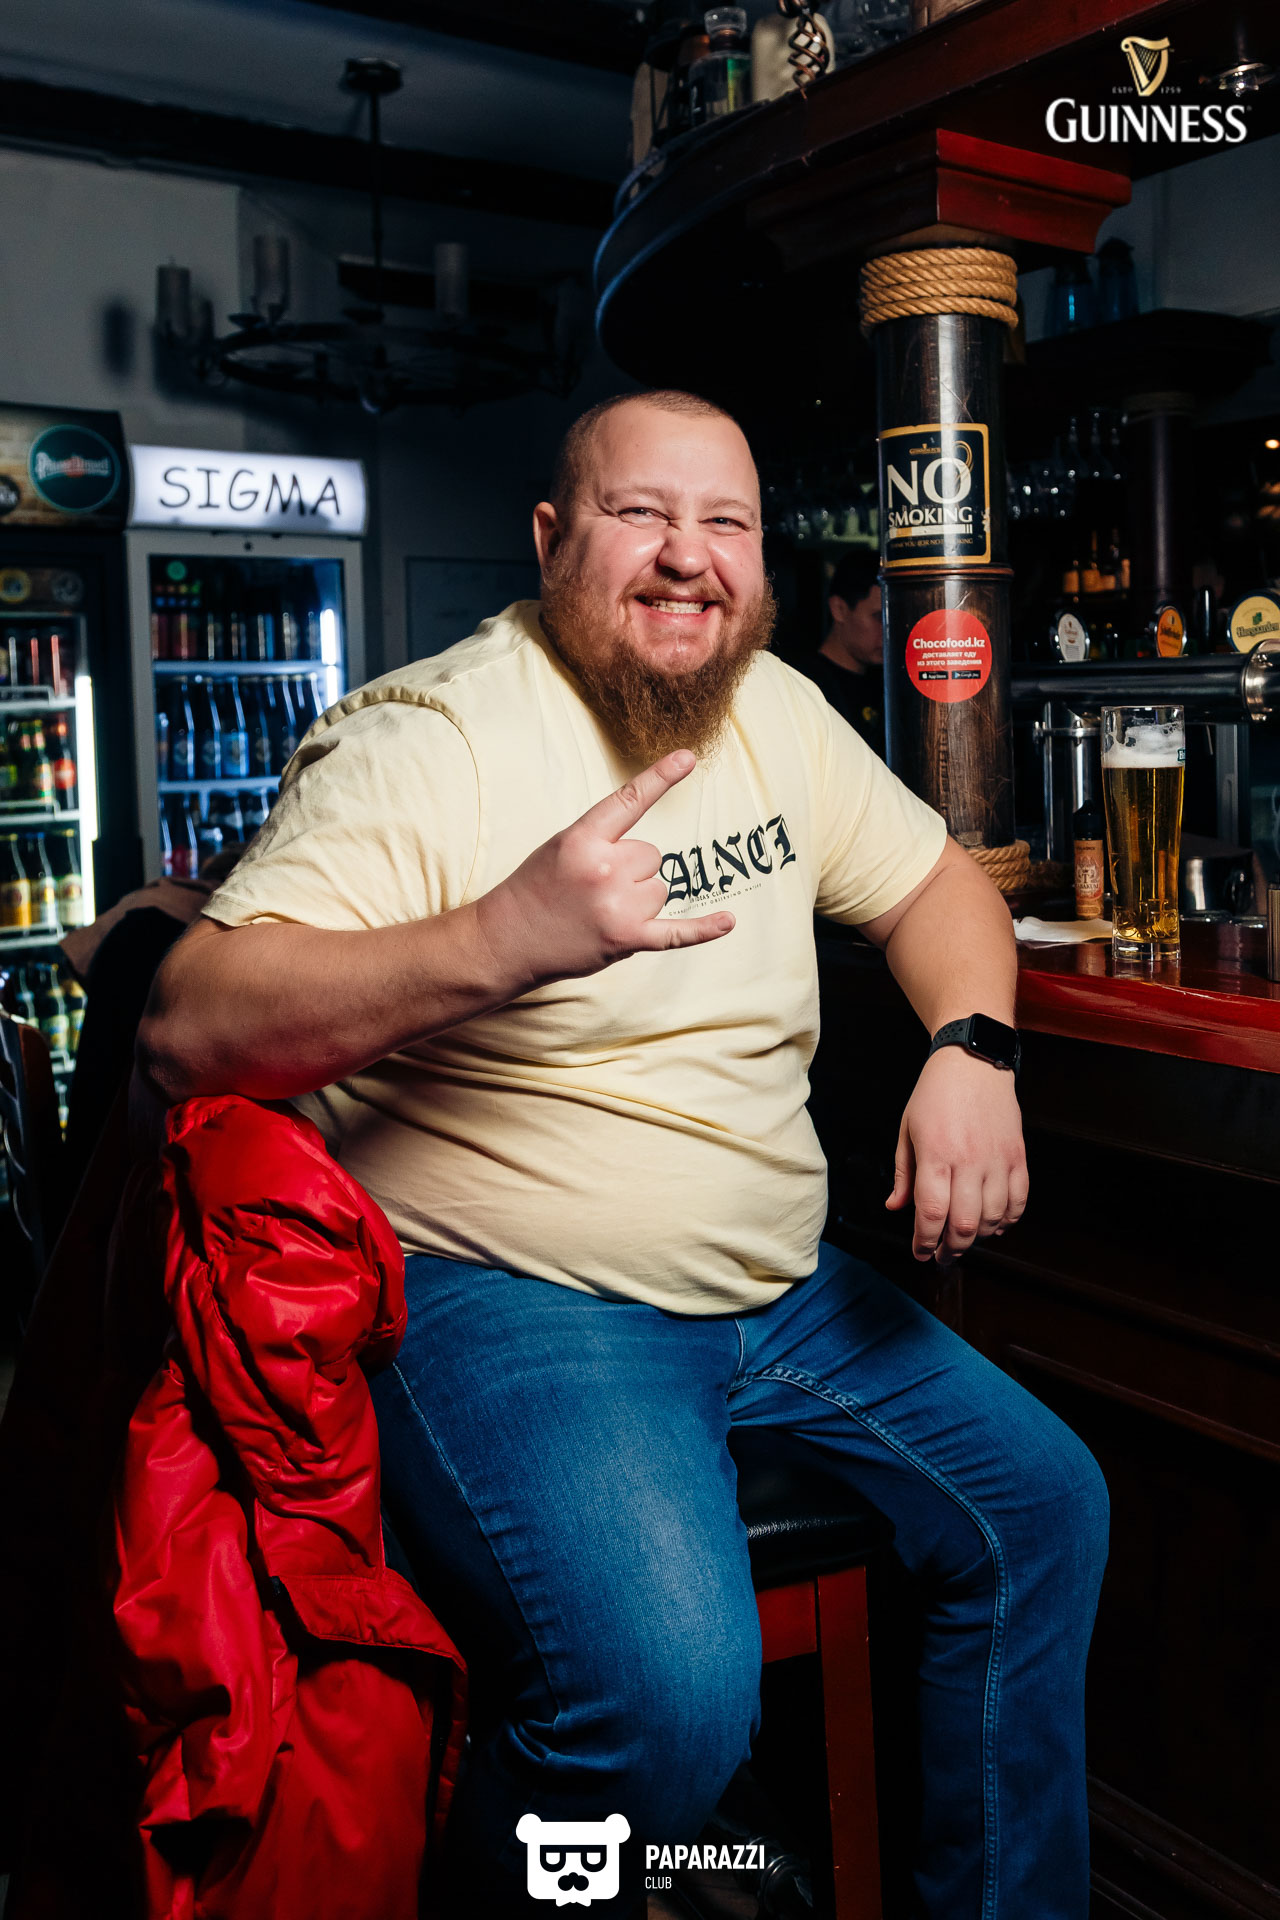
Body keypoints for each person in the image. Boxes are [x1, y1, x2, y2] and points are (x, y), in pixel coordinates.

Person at [138, 391, 1108, 1920]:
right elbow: (187, 1023)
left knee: (1045, 1508)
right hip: (519, 1294)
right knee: (668, 1701)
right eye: (638, 513)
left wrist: (972, 1050)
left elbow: (939, 890)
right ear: (550, 540)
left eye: (725, 522)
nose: (686, 556)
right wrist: (502, 935)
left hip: (776, 1288)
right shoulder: (433, 737)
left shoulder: (775, 711)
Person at [794, 545, 885, 754]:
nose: (889, 630)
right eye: (879, 617)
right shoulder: (806, 685)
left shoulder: (887, 681)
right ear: (839, 609)